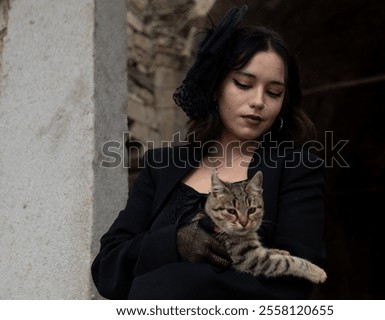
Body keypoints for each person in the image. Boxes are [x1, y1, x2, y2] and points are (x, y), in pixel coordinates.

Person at [91, 5, 326, 299]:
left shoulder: (296, 169)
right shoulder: (162, 166)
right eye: (243, 84)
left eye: (274, 92)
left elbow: (294, 285)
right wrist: (174, 241)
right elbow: (108, 269)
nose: (258, 101)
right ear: (216, 88)